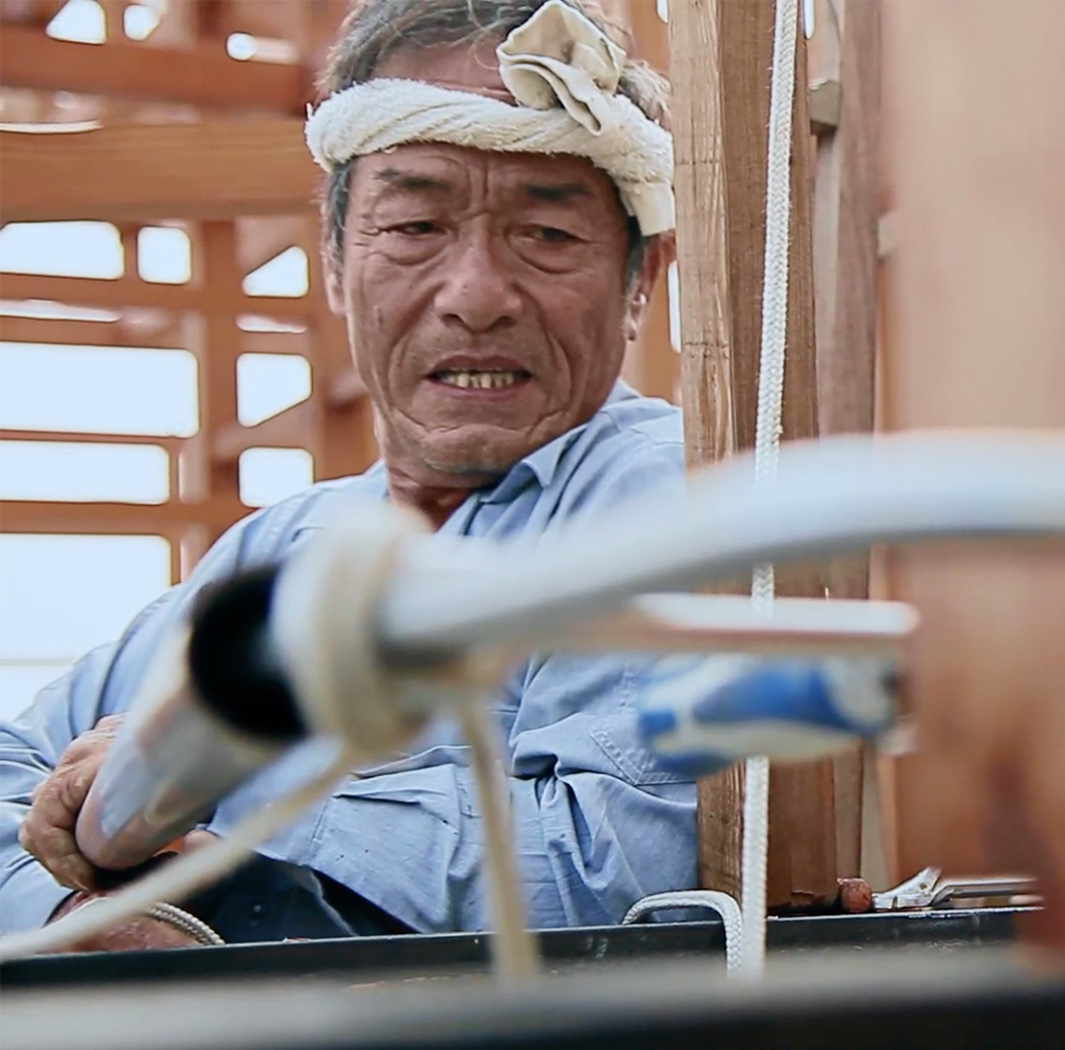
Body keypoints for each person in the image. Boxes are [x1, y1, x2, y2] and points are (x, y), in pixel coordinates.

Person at [0, 0, 706, 950]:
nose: (477, 296)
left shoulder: (672, 498)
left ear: (640, 281)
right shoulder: (279, 546)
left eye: (547, 234)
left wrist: (207, 796)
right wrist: (79, 916)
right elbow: (13, 761)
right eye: (414, 225)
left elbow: (611, 877)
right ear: (335, 267)